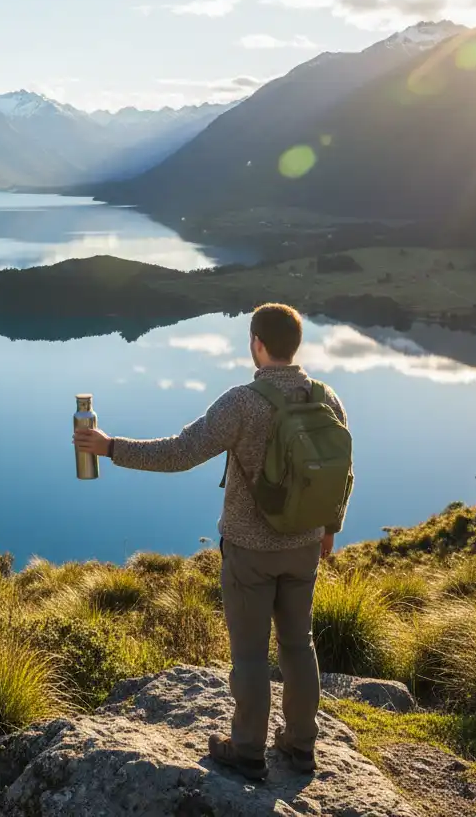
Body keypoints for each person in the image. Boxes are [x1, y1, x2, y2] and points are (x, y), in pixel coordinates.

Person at [73, 302, 352, 782]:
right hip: (306, 545)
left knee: (249, 655)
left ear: (257, 344)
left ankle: (247, 751)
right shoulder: (326, 398)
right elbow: (341, 473)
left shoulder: (242, 402)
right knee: (298, 645)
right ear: (295, 344)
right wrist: (330, 529)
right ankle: (301, 746)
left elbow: (182, 451)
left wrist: (111, 448)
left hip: (249, 551)